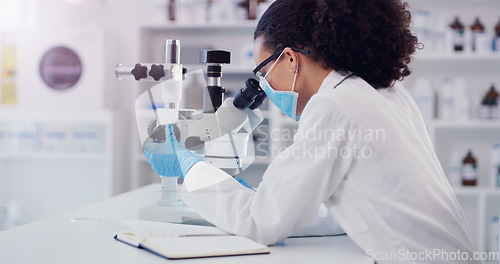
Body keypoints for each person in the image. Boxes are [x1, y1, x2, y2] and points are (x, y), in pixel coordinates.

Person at [144, 0, 478, 263]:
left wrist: (189, 166)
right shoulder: (382, 92)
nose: (264, 85)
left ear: (290, 59)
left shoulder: (334, 106)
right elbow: (338, 213)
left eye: (263, 71)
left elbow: (260, 223)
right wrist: (255, 193)